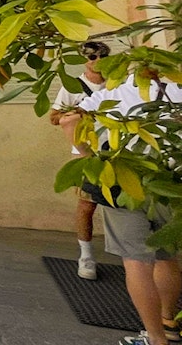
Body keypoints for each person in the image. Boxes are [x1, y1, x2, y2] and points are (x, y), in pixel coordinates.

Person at [61, 74, 182, 345]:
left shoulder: (111, 95)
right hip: (169, 183)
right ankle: (169, 323)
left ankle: (155, 338)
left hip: (121, 182)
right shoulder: (176, 90)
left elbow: (69, 121)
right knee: (167, 257)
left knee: (137, 262)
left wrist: (91, 158)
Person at [50, 40, 110, 279]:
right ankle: (86, 256)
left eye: (102, 56)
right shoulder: (72, 86)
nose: (97, 61)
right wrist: (78, 112)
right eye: (92, 56)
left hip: (119, 151)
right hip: (86, 154)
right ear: (83, 59)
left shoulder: (118, 83)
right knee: (87, 205)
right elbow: (54, 117)